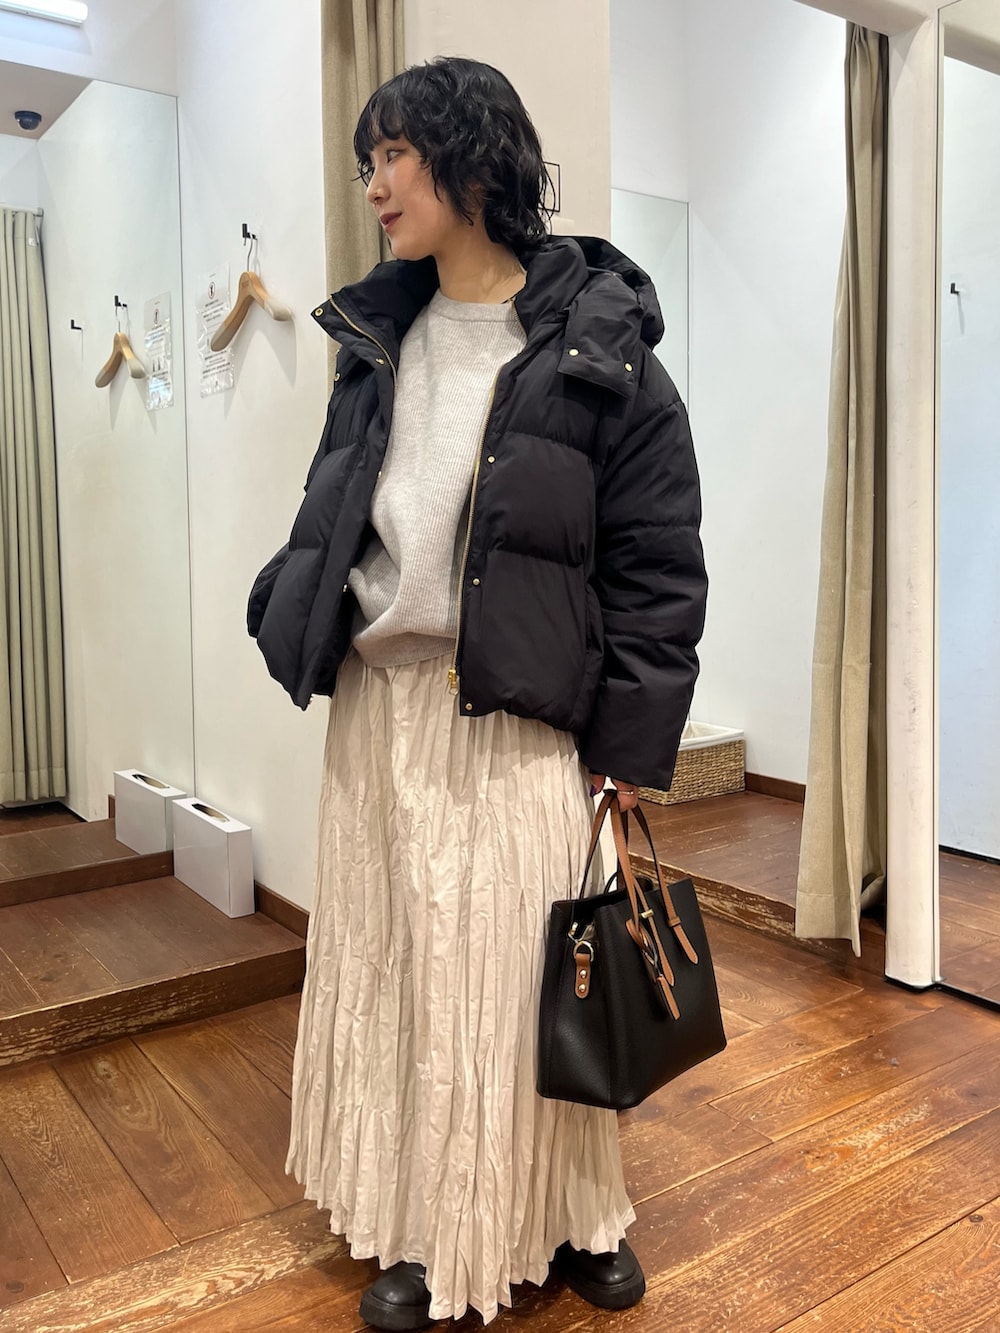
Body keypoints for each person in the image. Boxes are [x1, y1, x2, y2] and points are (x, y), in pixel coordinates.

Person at [248, 55, 707, 1332]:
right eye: (368, 161)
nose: (374, 185)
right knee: (405, 972)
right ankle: (424, 1225)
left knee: (521, 980)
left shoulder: (600, 344)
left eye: (394, 155)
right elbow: (340, 509)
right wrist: (286, 599)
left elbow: (656, 563)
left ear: (469, 157)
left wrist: (629, 747)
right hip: (382, 712)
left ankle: (573, 1211)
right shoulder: (374, 339)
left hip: (513, 718)